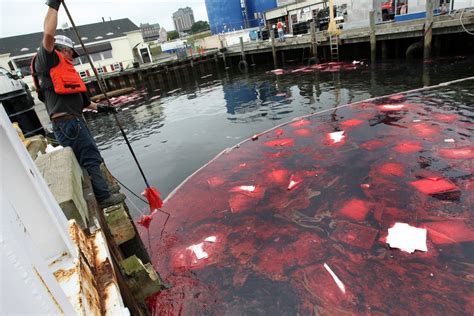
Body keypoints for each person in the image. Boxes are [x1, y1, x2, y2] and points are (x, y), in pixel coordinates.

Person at [34, 0, 125, 208]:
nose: (73, 59)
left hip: (75, 121)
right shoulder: (48, 61)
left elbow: (86, 103)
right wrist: (53, 5)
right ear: (61, 50)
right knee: (90, 156)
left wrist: (102, 108)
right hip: (68, 124)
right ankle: (104, 198)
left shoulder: (67, 70)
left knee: (90, 154)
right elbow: (48, 35)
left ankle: (102, 188)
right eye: (71, 53)